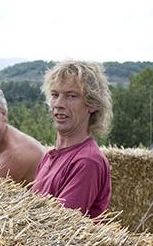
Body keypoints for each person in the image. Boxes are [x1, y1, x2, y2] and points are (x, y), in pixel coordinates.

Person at [31, 60, 112, 218]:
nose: (58, 104)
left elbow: (57, 228)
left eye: (71, 96)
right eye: (55, 95)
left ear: (93, 104)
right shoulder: (50, 156)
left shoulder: (87, 161)